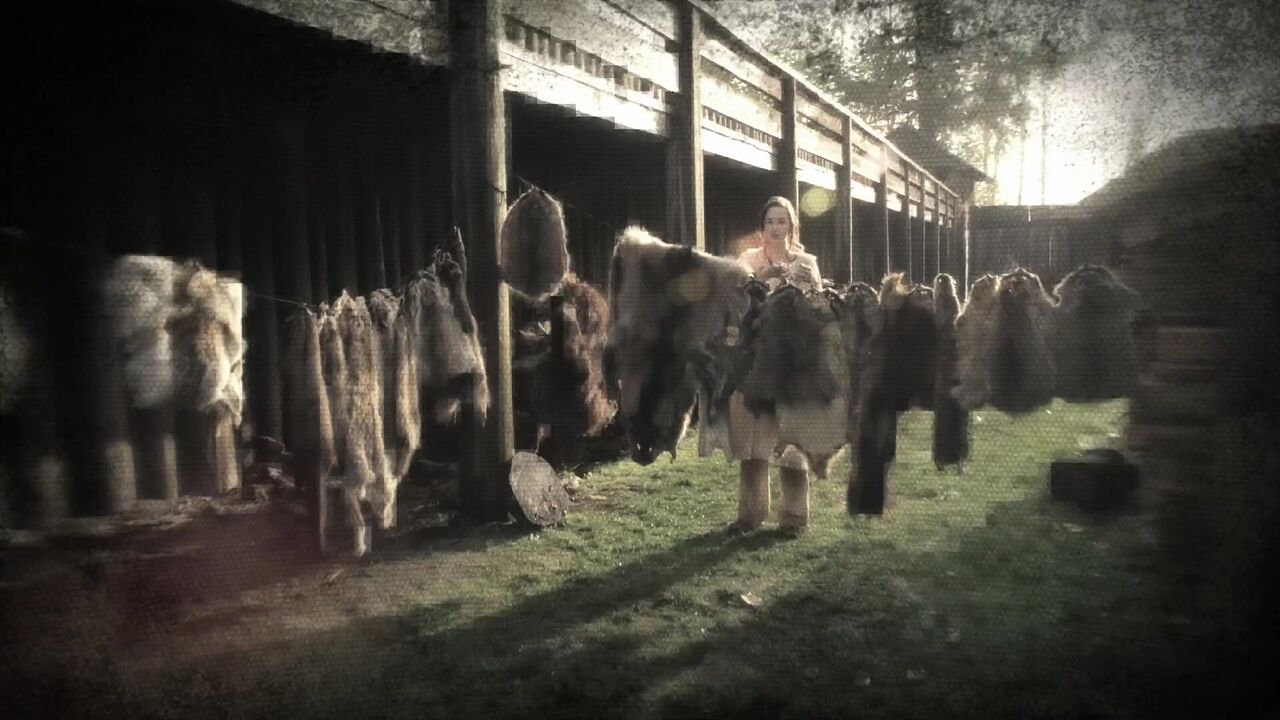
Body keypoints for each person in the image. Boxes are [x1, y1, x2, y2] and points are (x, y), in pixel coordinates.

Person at [728, 196, 821, 533]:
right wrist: (761, 275)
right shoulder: (748, 259)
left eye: (782, 221)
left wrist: (809, 284)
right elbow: (734, 299)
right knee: (754, 441)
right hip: (754, 362)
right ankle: (751, 515)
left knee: (792, 442)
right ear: (762, 227)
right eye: (770, 221)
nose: (775, 228)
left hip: (792, 363)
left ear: (791, 226)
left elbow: (820, 311)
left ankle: (794, 518)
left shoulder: (807, 260)